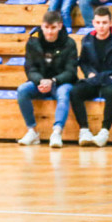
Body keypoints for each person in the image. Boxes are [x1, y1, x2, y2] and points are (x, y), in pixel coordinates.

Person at [16, 11, 78, 148]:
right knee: (22, 90)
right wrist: (40, 81)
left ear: (60, 26)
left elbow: (71, 72)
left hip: (60, 82)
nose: (49, 32)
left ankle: (57, 132)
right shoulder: (33, 42)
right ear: (42, 26)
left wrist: (53, 81)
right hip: (40, 82)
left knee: (64, 93)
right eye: (46, 27)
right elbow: (30, 68)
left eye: (53, 28)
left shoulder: (69, 43)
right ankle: (32, 131)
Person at [70, 7, 112, 147]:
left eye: (104, 22)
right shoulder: (87, 40)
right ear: (93, 23)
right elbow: (83, 62)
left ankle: (104, 131)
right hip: (94, 80)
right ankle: (84, 129)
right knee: (75, 91)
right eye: (98, 22)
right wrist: (89, 72)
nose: (101, 26)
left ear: (110, 22)